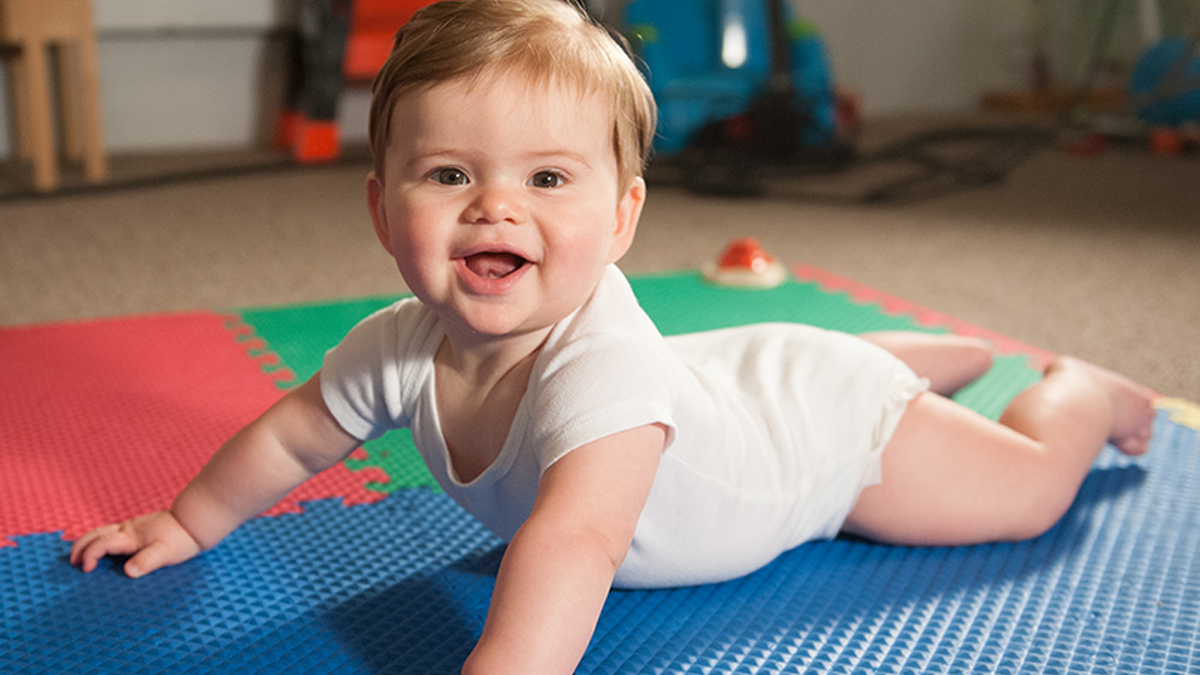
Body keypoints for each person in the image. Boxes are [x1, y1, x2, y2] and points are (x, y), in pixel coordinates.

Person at [70, 1, 1159, 673]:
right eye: (448, 173)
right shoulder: (396, 344)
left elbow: (574, 542)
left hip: (828, 453)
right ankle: (905, 358)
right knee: (802, 366)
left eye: (548, 178)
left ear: (624, 216)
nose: (496, 207)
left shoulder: (608, 372)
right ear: (381, 209)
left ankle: (1078, 390)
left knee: (1025, 489)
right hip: (736, 379)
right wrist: (188, 520)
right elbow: (294, 433)